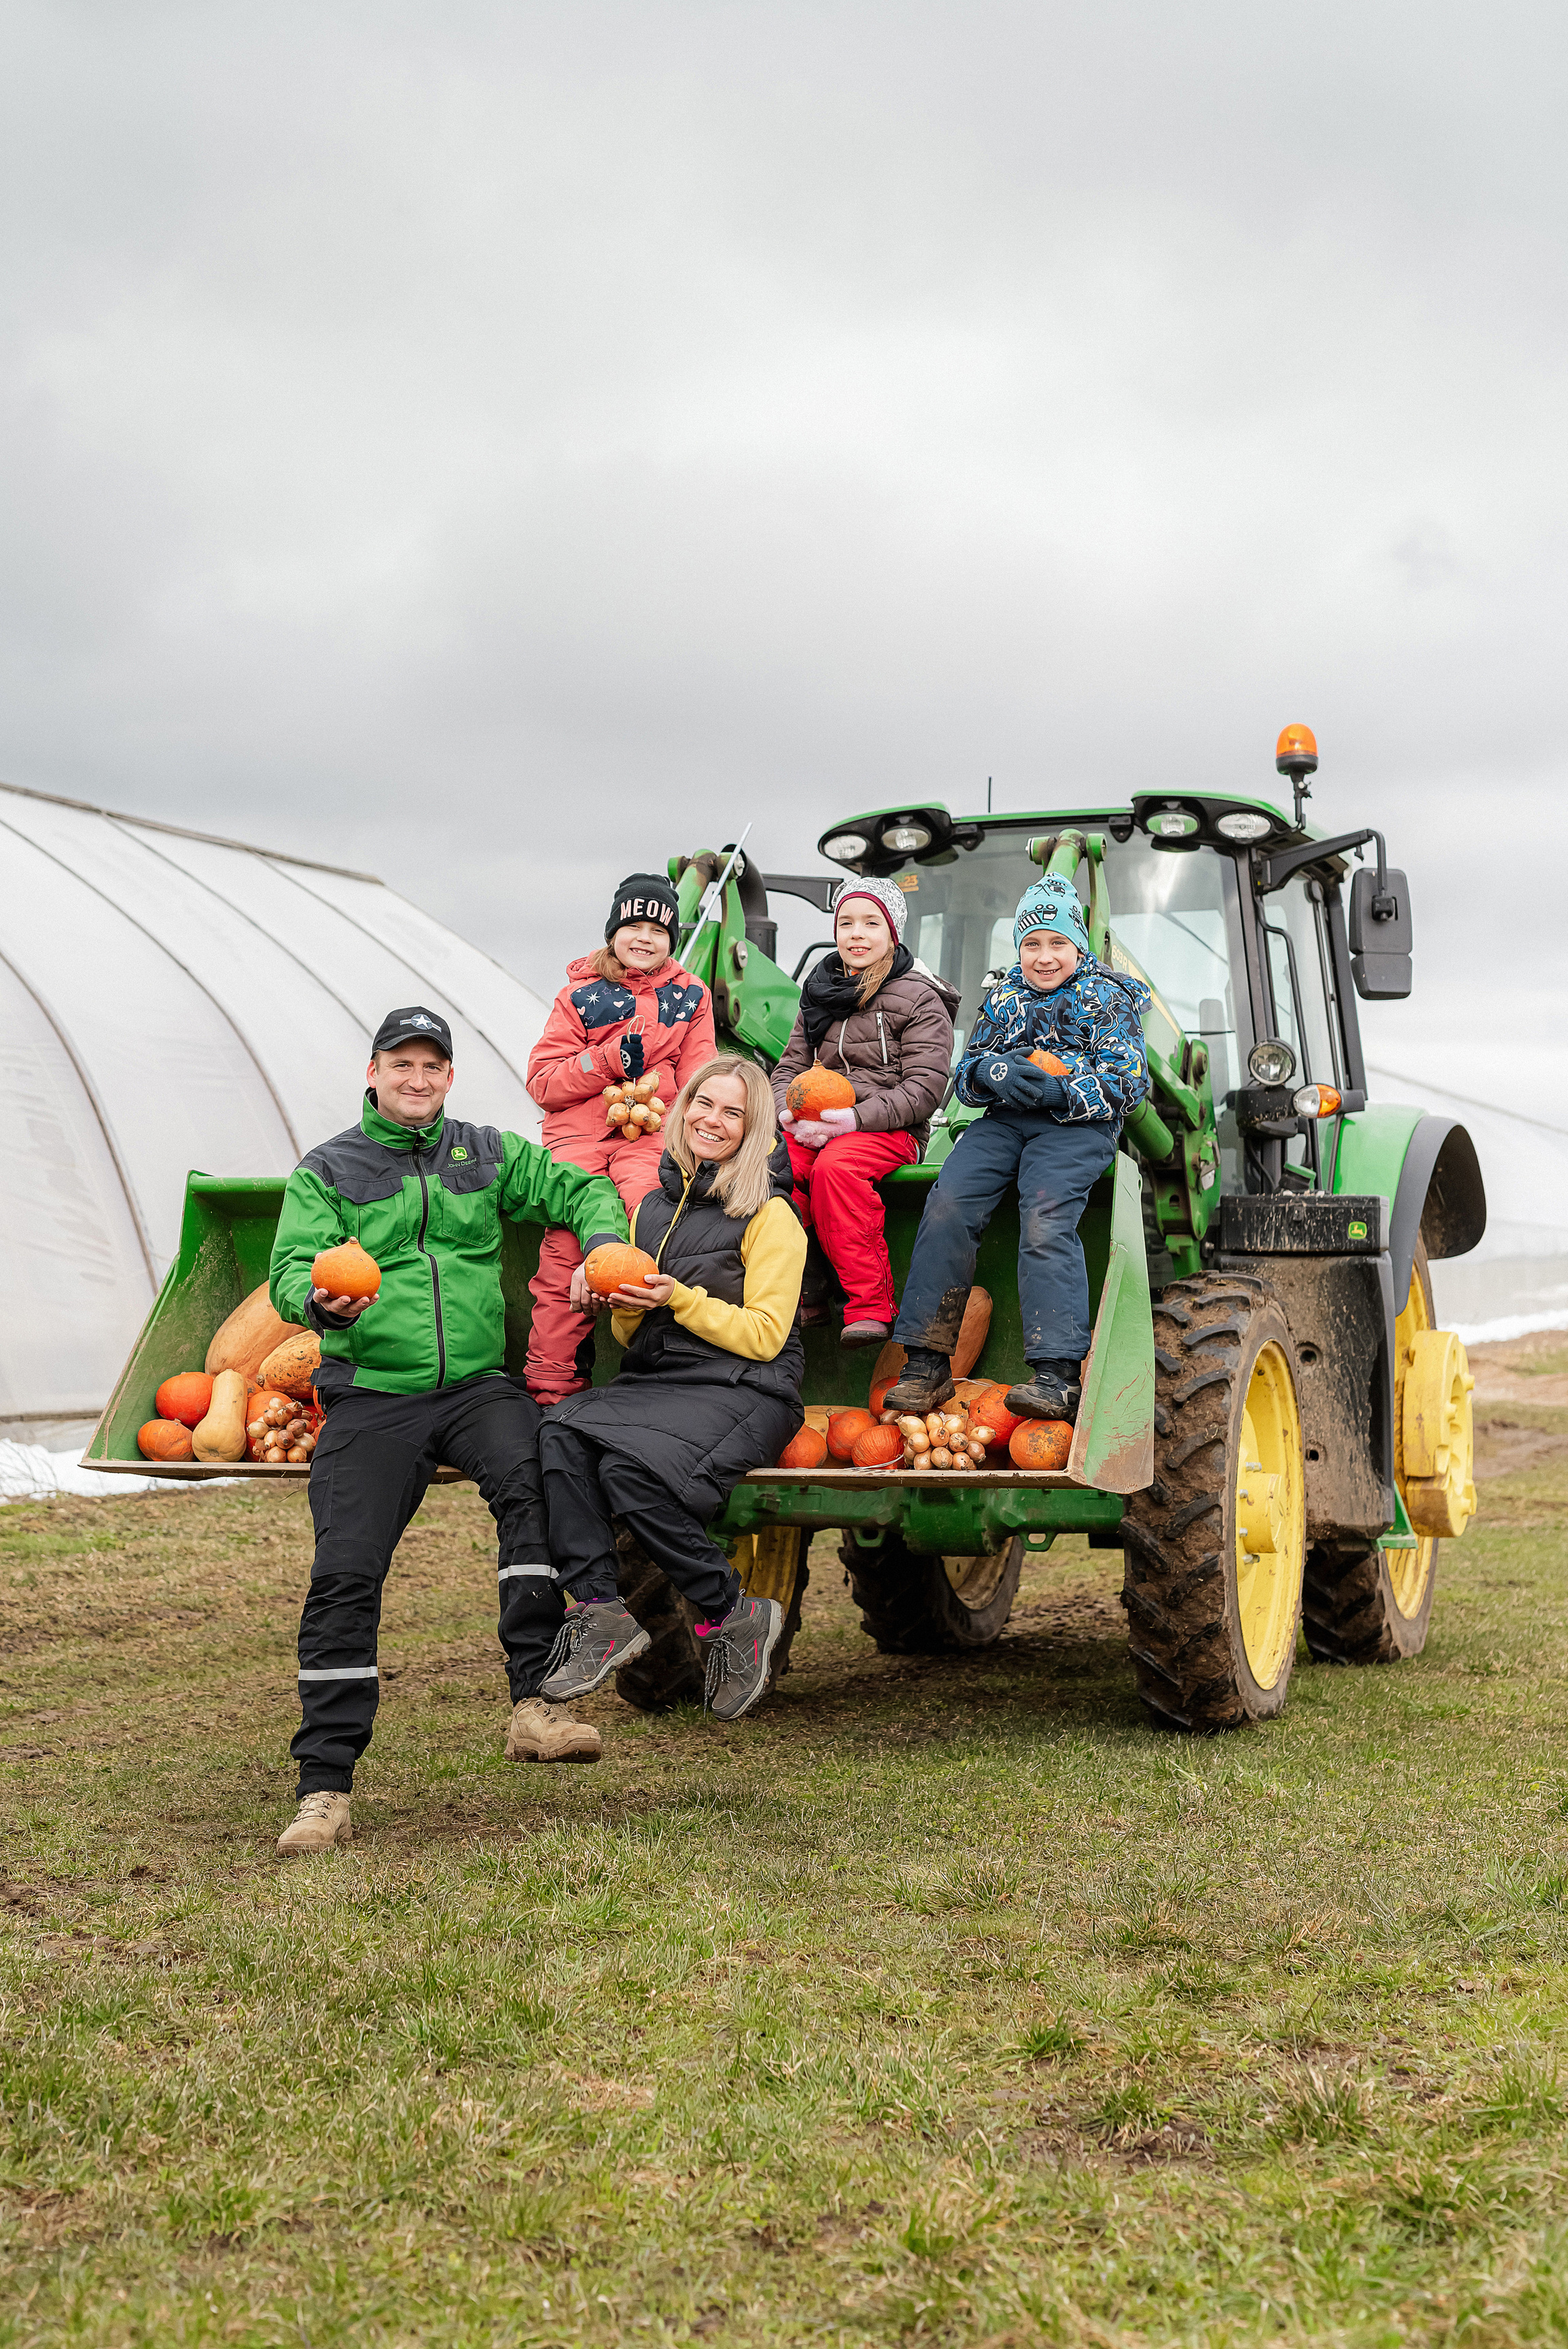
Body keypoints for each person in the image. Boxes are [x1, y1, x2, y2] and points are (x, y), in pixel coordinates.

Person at [268, 1007, 631, 1858]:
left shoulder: (484, 1151)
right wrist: (322, 1303)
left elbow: (580, 1187)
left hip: (475, 1387)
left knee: (537, 1485)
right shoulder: (328, 1169)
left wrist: (603, 1242)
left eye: (432, 1065)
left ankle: (536, 1704)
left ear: (450, 1077)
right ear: (374, 1072)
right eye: (402, 1063)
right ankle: (325, 1786)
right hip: (373, 1391)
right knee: (345, 1570)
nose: (418, 1078)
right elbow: (290, 1269)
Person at [535, 1054, 807, 1724]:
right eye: (704, 1104)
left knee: (629, 1473)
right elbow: (634, 1333)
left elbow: (766, 1335)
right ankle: (600, 1611)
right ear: (682, 1109)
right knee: (558, 1431)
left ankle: (729, 1612)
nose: (713, 1120)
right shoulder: (653, 1209)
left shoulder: (772, 1214)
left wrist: (677, 1297)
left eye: (733, 1112)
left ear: (753, 1129)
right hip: (663, 1382)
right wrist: (621, 1303)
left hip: (748, 1386)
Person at [885, 876, 1151, 1421]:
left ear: (1078, 944)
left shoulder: (1108, 997)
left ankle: (1058, 1375)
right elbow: (966, 1075)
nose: (1044, 956)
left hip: (1078, 1124)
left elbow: (1129, 1084)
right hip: (1005, 1121)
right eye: (1032, 944)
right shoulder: (1004, 996)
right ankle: (926, 1362)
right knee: (948, 1202)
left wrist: (1060, 1090)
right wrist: (992, 1072)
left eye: (1057, 943)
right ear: (1018, 948)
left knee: (1046, 1214)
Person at [524, 872, 715, 1404]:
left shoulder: (691, 996)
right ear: (613, 932)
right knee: (565, 1253)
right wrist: (607, 1059)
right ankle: (552, 1388)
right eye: (634, 925)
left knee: (655, 1230)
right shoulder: (579, 996)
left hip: (649, 1139)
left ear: (672, 939)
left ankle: (668, 1378)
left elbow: (700, 1081)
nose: (645, 937)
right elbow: (544, 1082)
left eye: (659, 929)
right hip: (578, 1143)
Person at [771, 876, 957, 1348]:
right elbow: (788, 1068)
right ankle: (806, 1289)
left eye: (871, 923)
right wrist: (786, 1113)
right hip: (818, 1123)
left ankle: (871, 1305)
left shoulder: (920, 998)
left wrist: (853, 1120)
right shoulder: (818, 993)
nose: (857, 933)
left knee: (836, 1169)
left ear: (893, 932)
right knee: (771, 1166)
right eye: (846, 923)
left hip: (892, 1128)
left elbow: (925, 1088)